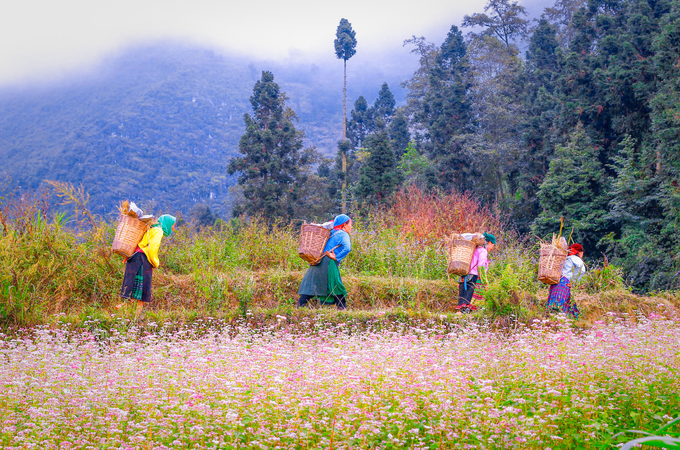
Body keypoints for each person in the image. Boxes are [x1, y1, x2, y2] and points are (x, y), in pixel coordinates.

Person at [119, 214, 176, 313]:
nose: (173, 228)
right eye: (173, 225)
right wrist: (155, 262)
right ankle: (131, 314)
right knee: (142, 292)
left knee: (135, 289)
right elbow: (152, 249)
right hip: (142, 259)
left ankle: (129, 313)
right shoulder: (158, 231)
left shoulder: (152, 228)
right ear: (168, 223)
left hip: (134, 258)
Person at [297, 214, 352, 310]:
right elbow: (347, 248)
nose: (351, 227)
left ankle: (299, 306)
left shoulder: (331, 232)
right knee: (335, 284)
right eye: (350, 224)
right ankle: (342, 307)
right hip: (328, 262)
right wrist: (337, 257)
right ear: (344, 225)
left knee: (311, 283)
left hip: (318, 259)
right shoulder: (343, 234)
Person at [456, 232, 496, 313]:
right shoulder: (483, 251)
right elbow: (481, 267)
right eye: (493, 245)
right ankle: (464, 318)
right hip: (473, 278)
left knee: (463, 302)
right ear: (490, 243)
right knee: (468, 303)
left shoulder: (474, 250)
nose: (492, 248)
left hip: (464, 277)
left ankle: (459, 318)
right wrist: (485, 282)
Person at [546, 243, 586, 318]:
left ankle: (557, 319)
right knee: (561, 301)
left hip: (556, 280)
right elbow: (582, 270)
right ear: (578, 252)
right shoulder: (574, 258)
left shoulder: (563, 258)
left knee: (559, 300)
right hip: (564, 281)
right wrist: (574, 281)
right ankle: (564, 319)